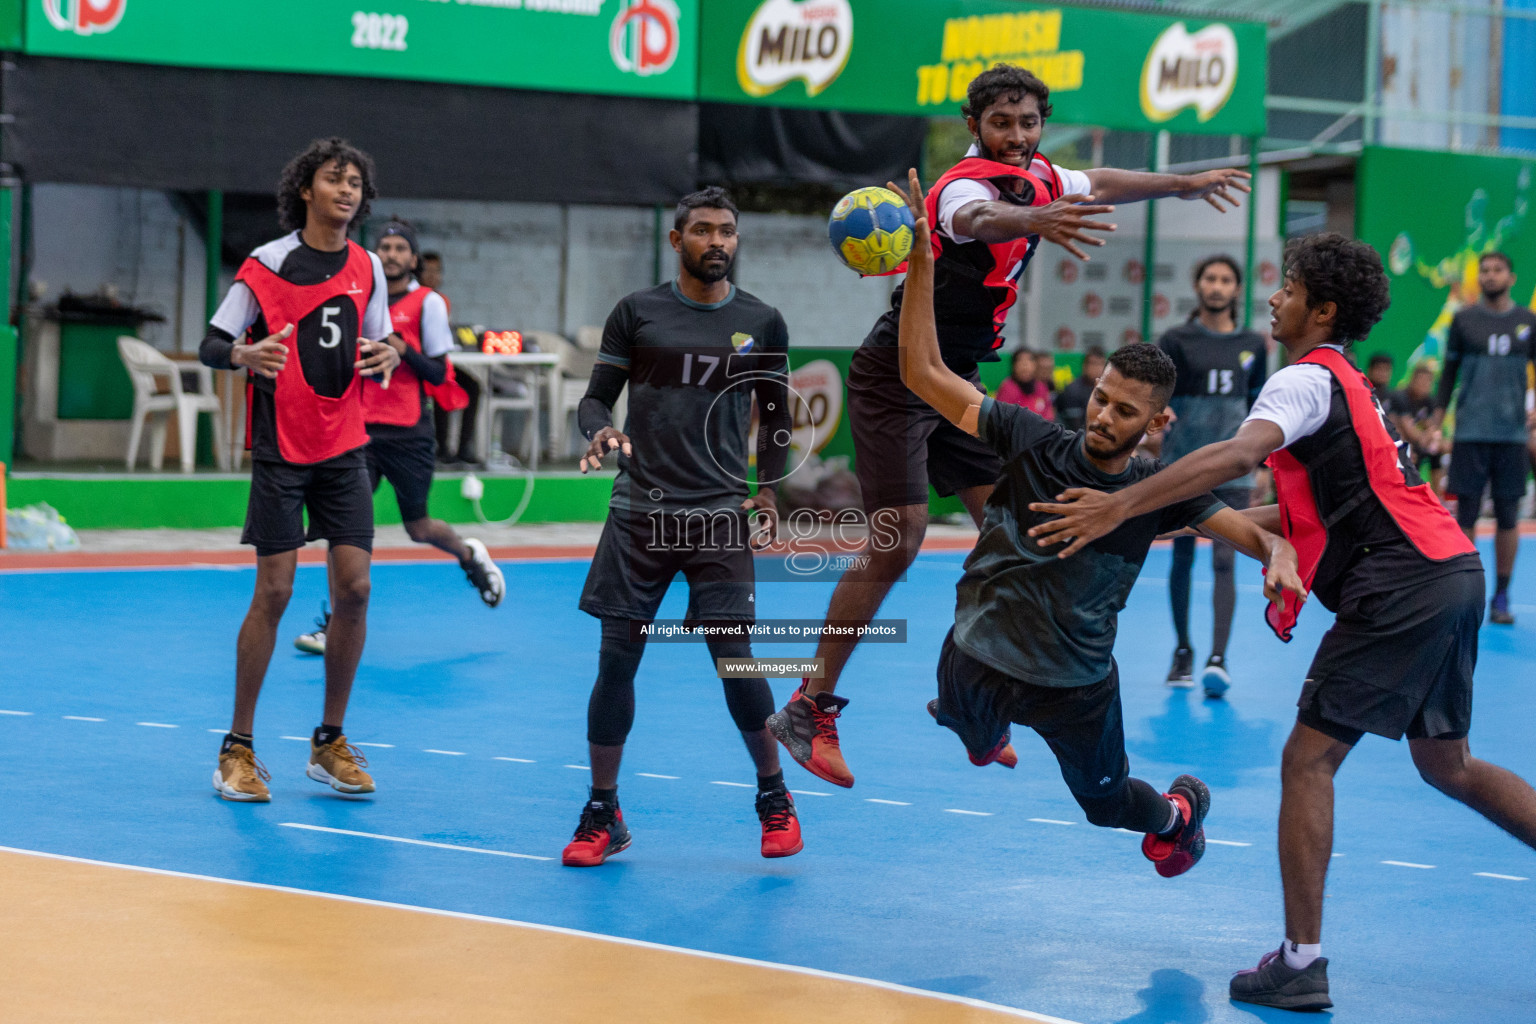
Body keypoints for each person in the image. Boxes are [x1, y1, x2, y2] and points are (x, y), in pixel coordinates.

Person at [1027, 233, 1536, 1012]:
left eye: (1287, 286)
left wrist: (1122, 501)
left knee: (1306, 762)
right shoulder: (1349, 383)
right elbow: (1295, 511)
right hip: (1448, 573)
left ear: (1321, 309)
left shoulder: (1301, 380)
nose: (1274, 296)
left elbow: (1236, 458)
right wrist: (1150, 520)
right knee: (1449, 766)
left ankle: (1300, 964)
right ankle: (1301, 959)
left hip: (1402, 584)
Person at [767, 62, 1252, 789]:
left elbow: (1107, 181)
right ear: (975, 126)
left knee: (1023, 532)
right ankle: (809, 708)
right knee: (898, 539)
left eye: (1029, 123)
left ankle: (972, 703)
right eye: (1003, 123)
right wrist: (1034, 221)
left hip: (958, 383)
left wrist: (1180, 185)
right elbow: (975, 218)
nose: (1018, 136)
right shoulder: (964, 184)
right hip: (898, 374)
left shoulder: (1045, 174)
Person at [889, 170, 1300, 879]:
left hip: (1075, 685)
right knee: (970, 732)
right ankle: (979, 729)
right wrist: (922, 264)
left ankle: (1177, 815)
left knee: (1106, 807)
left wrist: (1279, 552)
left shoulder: (1157, 493)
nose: (1106, 417)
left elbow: (1250, 533)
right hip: (977, 654)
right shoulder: (1030, 437)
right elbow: (924, 372)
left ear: (1154, 424)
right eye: (1103, 399)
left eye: (1125, 411)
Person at [561, 187, 799, 867]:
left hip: (721, 511)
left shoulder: (764, 321)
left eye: (727, 230)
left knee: (735, 659)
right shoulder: (638, 313)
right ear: (677, 241)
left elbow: (777, 416)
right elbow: (594, 397)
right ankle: (603, 811)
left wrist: (770, 491)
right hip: (640, 513)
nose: (717, 241)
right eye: (702, 230)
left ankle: (773, 795)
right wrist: (601, 428)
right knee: (616, 662)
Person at [198, 137, 401, 802]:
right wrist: (244, 357)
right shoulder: (267, 263)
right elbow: (212, 342)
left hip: (346, 446)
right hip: (282, 449)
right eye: (334, 179)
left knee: (356, 589)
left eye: (355, 184)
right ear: (306, 190)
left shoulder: (367, 264)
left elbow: (381, 335)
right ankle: (238, 749)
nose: (347, 191)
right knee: (277, 593)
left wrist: (391, 352)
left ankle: (329, 742)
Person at [292, 221, 503, 656]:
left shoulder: (428, 305)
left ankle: (469, 555)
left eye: (400, 248)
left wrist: (403, 349)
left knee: (418, 526)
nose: (390, 254)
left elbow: (441, 374)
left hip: (408, 433)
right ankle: (334, 624)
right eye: (384, 246)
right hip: (358, 433)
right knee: (343, 527)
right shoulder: (359, 299)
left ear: (414, 260)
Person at [1155, 255, 1268, 696]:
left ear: (1236, 289)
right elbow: (1155, 394)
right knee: (1181, 555)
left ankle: (1218, 658)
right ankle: (1182, 650)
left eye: (1225, 279)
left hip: (1235, 471)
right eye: (1210, 278)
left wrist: (1261, 463)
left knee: (1225, 559)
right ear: (1198, 285)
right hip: (1183, 466)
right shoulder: (1175, 339)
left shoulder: (1254, 344)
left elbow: (1261, 409)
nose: (1217, 286)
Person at [1433, 251, 1536, 624]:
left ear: (1512, 277)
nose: (1490, 276)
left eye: (1497, 271)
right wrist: (1437, 419)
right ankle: (1465, 595)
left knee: (1509, 516)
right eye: (1485, 271)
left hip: (1511, 435)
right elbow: (1448, 373)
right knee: (1467, 516)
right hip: (1470, 433)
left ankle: (1503, 596)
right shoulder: (1463, 320)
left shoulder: (1529, 321)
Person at [1388, 360, 1447, 495]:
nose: (1424, 385)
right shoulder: (1400, 397)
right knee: (1413, 451)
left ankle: (1438, 498)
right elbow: (1408, 430)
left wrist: (1435, 441)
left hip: (1419, 442)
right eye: (1421, 381)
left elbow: (1433, 427)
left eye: (1428, 382)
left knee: (1435, 451)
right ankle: (1408, 494)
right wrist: (1426, 439)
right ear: (1413, 379)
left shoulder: (1429, 400)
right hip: (1398, 442)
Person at [1054, 346, 1106, 434]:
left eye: (1100, 364)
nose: (1097, 368)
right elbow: (1076, 429)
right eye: (1093, 363)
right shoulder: (1072, 391)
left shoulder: (1106, 391)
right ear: (1084, 366)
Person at [995, 348, 1054, 419]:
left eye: (1029, 360)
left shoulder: (1041, 387)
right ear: (1014, 366)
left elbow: (1049, 416)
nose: (1025, 366)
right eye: (1020, 361)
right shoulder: (1008, 388)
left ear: (1035, 365)